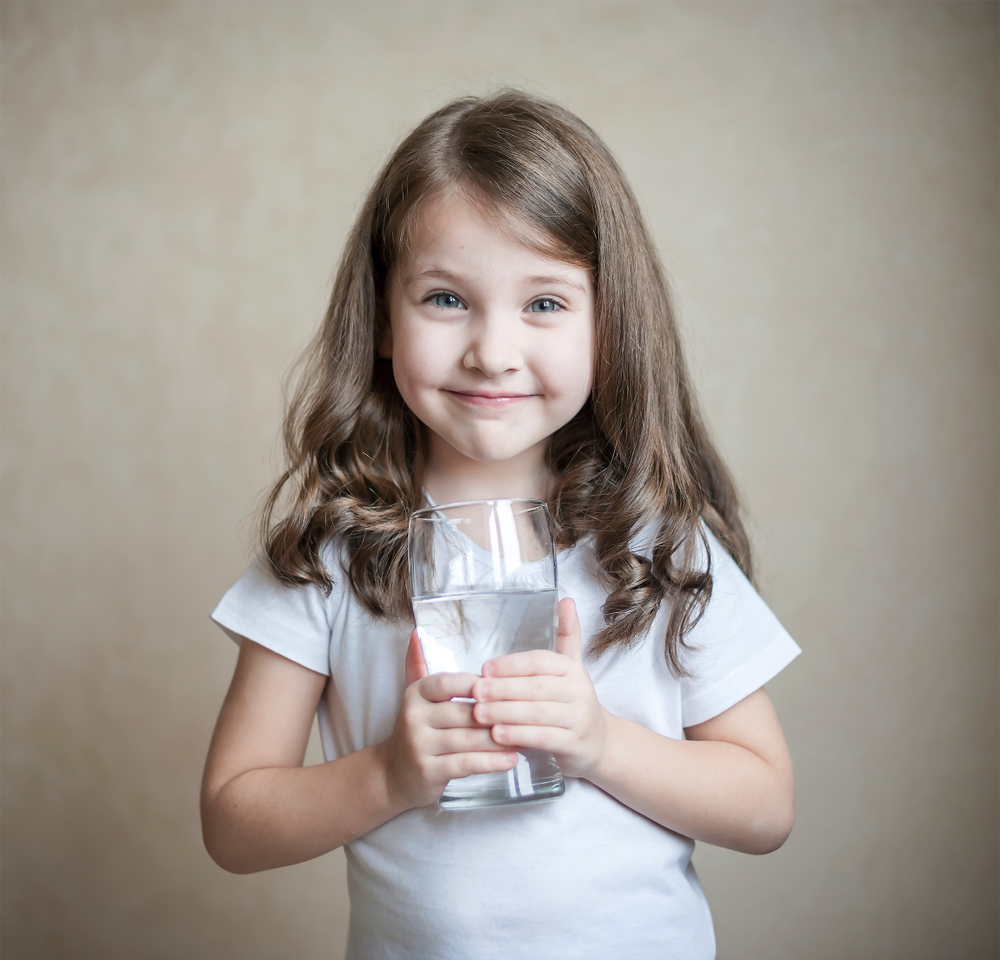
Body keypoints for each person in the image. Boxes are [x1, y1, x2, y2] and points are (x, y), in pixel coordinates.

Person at [202, 90, 801, 959]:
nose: (492, 349)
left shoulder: (658, 542)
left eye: (546, 304)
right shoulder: (332, 553)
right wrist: (387, 776)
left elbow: (766, 807)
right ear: (380, 315)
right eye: (446, 299)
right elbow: (232, 821)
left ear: (609, 324)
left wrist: (600, 743)